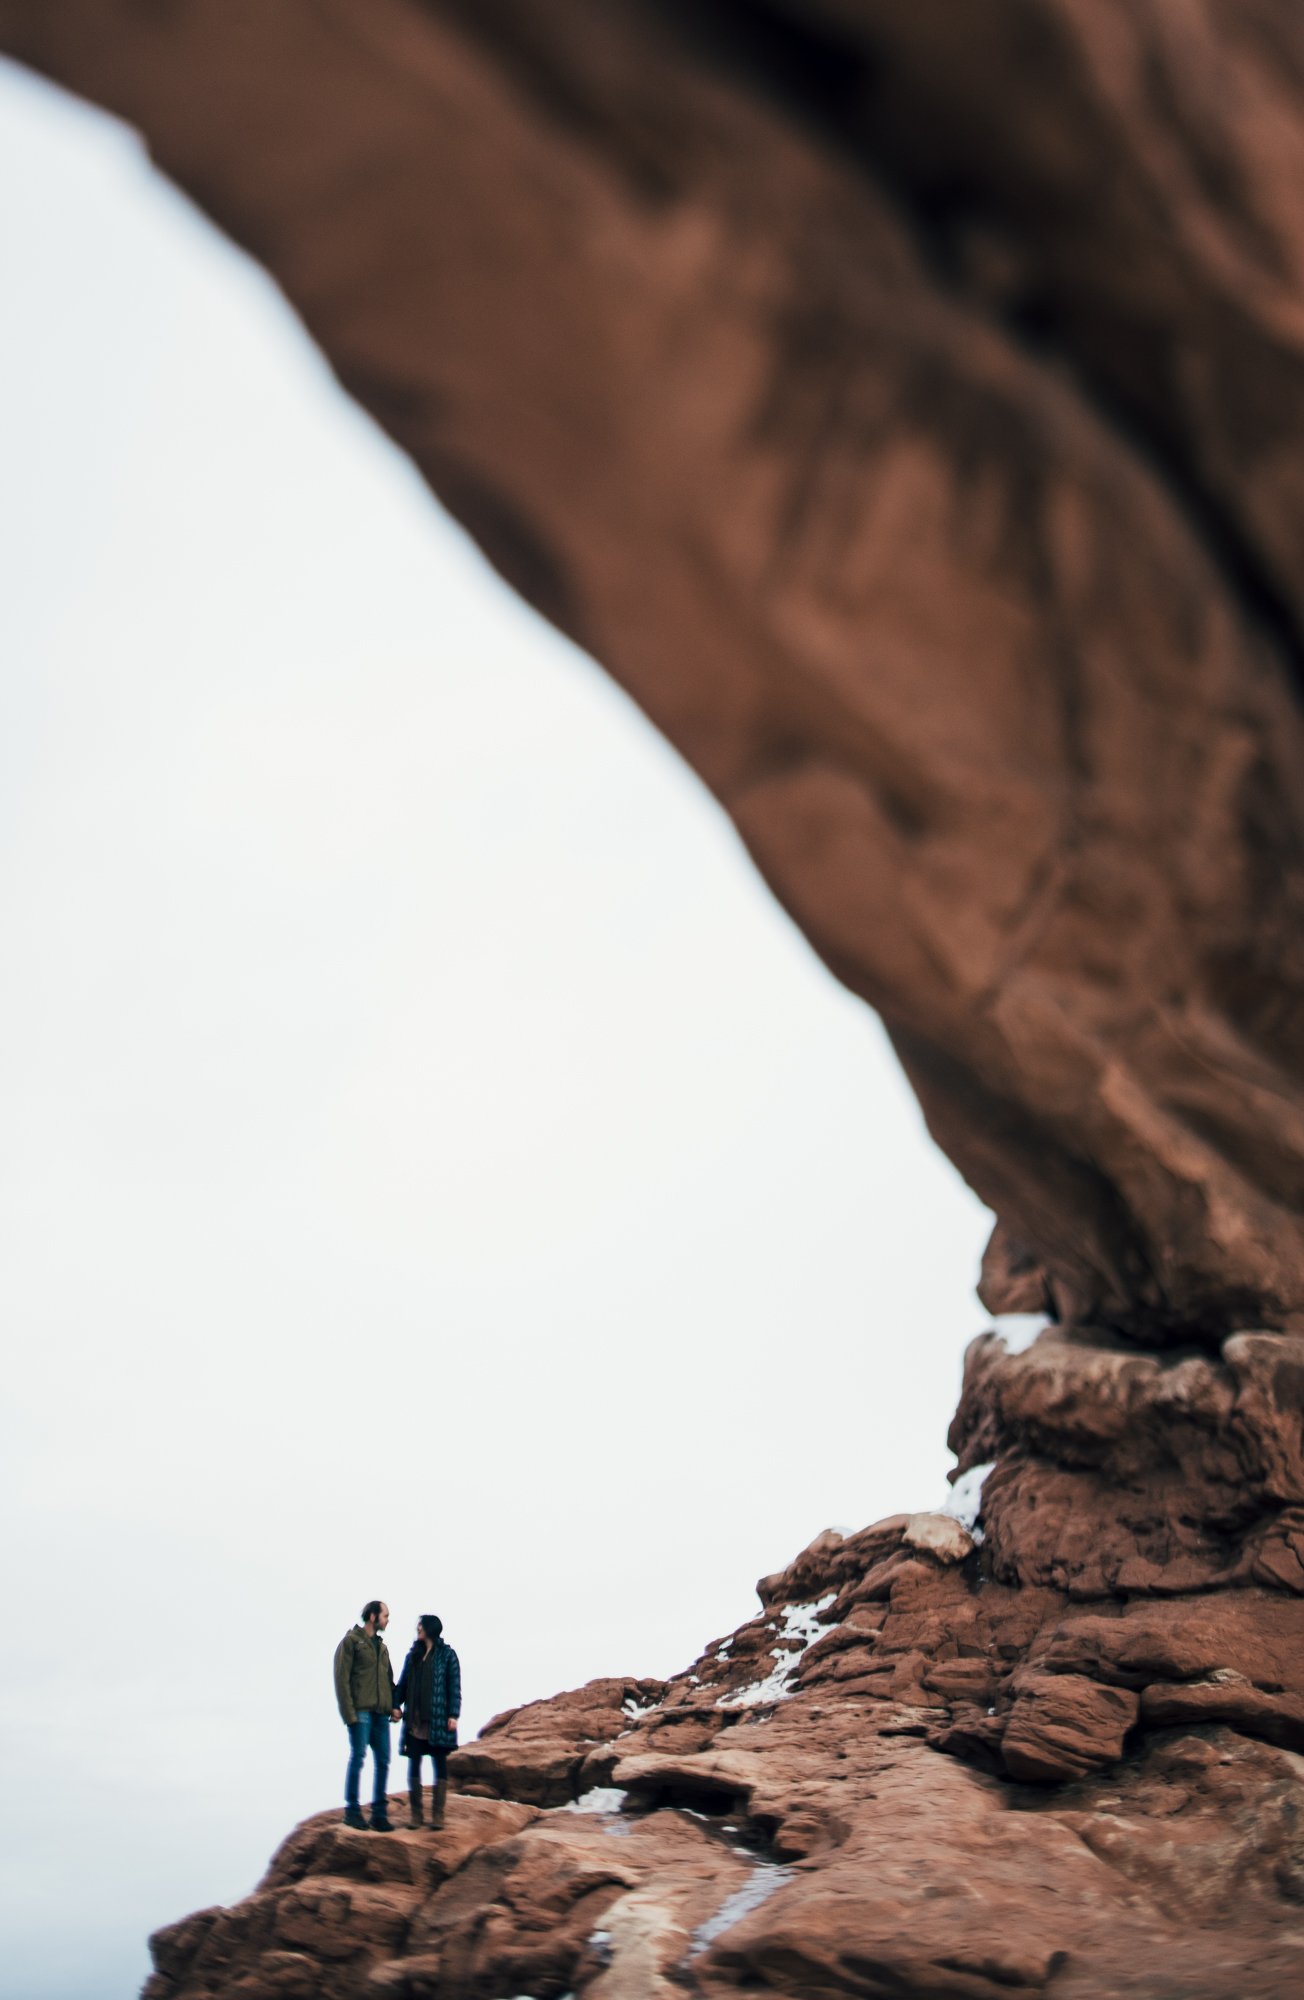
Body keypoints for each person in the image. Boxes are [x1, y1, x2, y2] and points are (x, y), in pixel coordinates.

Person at [334, 1599, 401, 1831]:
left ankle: (379, 1814)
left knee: (383, 1761)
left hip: (381, 1714)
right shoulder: (351, 1642)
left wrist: (394, 1706)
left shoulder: (382, 1648)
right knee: (359, 1757)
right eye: (385, 1615)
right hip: (360, 1712)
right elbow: (341, 1679)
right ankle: (352, 1810)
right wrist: (348, 1714)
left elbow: (388, 1681)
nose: (387, 1620)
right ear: (373, 1616)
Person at [395, 1613, 461, 1828]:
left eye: (420, 1626)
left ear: (430, 1629)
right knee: (414, 1763)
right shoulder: (413, 1655)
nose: (417, 1630)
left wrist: (453, 1714)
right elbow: (403, 1684)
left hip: (438, 1720)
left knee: (439, 1764)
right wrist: (395, 1705)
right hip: (414, 1720)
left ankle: (438, 1815)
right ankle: (416, 1815)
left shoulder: (448, 1655)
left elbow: (454, 1687)